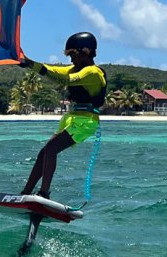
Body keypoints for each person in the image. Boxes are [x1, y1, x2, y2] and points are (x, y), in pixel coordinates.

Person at [19, 32, 107, 199]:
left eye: (73, 55)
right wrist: (28, 62)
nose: (71, 60)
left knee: (52, 148)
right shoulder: (76, 68)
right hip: (71, 118)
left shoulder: (93, 73)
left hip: (86, 121)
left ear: (86, 51)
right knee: (44, 153)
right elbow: (52, 70)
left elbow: (66, 79)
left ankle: (44, 194)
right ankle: (25, 194)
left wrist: (31, 64)